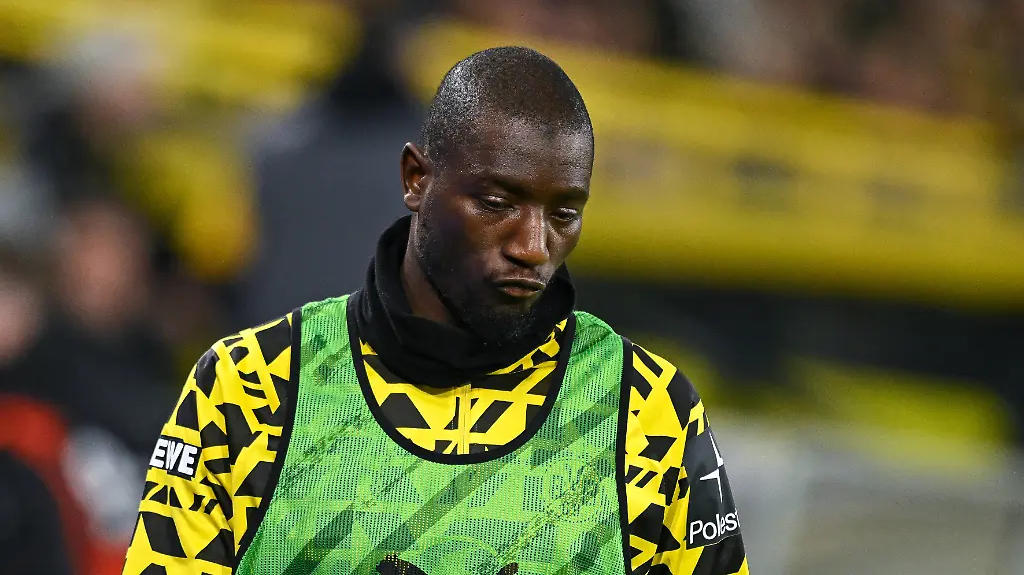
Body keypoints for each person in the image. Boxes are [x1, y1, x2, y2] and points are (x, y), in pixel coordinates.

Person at [122, 47, 749, 575]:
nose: (534, 246)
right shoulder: (251, 388)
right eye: (497, 202)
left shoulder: (647, 410)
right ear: (416, 179)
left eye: (564, 213)